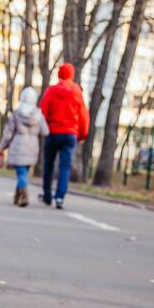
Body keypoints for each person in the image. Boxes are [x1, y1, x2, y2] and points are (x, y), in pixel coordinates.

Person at [39, 62, 90, 209]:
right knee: (65, 166)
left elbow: (43, 110)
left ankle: (47, 195)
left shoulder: (52, 91)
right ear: (72, 74)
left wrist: (44, 128)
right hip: (70, 134)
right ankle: (60, 197)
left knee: (48, 164)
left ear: (59, 74)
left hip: (53, 132)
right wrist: (82, 135)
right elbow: (83, 115)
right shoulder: (77, 92)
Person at [0, 87, 48, 206]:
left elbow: (9, 133)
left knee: (21, 173)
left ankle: (24, 196)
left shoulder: (17, 113)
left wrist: (2, 147)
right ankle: (17, 195)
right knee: (23, 173)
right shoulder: (38, 114)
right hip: (32, 147)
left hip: (18, 146)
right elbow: (45, 131)